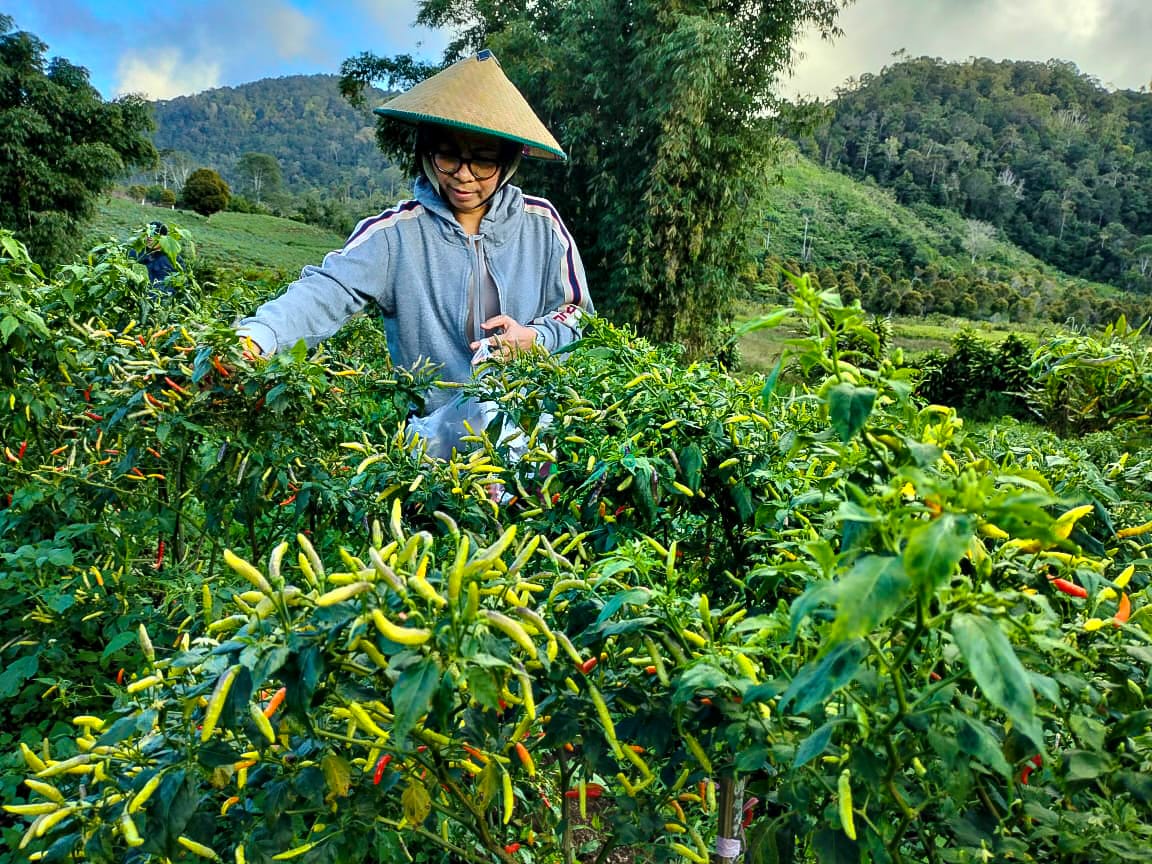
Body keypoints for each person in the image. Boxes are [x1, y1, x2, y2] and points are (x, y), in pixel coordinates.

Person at [236, 50, 592, 456]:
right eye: (448, 157)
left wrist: (538, 338)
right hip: (436, 447)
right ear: (427, 153)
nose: (463, 174)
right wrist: (259, 337)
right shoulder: (395, 236)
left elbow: (578, 314)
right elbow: (327, 289)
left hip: (531, 438)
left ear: (508, 164)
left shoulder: (541, 224)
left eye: (483, 163)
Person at [130, 221, 180, 291]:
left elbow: (179, 282)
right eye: (148, 234)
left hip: (162, 298)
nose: (149, 237)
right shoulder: (135, 253)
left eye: (154, 234)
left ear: (163, 238)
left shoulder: (174, 259)